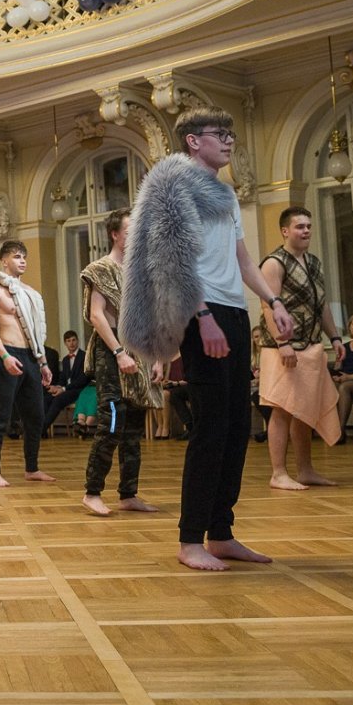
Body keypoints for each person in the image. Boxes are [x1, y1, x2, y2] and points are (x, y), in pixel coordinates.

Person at [122, 107, 297, 572]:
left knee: (237, 428)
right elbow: (171, 260)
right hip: (201, 313)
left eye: (231, 133)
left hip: (234, 312)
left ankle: (221, 533)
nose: (229, 141)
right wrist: (202, 317)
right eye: (220, 134)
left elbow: (243, 260)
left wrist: (273, 302)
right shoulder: (174, 187)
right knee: (210, 429)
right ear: (193, 141)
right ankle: (190, 539)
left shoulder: (225, 193)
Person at [256, 207, 344, 491]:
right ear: (285, 231)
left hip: (310, 345)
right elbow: (268, 305)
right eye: (299, 227)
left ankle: (305, 470)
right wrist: (283, 343)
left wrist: (335, 337)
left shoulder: (313, 262)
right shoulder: (273, 263)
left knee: (304, 410)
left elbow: (321, 304)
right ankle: (278, 473)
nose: (306, 231)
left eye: (308, 226)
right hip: (282, 349)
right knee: (282, 409)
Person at [81, 208, 161, 516]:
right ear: (115, 234)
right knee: (112, 421)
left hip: (140, 348)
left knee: (133, 428)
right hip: (111, 348)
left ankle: (128, 494)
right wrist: (118, 353)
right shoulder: (100, 269)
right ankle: (92, 492)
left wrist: (156, 359)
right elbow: (96, 315)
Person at [0, 240, 55, 487]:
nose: (22, 261)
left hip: (30, 356)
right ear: (4, 261)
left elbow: (35, 331)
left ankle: (32, 468)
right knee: (1, 415)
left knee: (36, 416)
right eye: (17, 256)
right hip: (7, 353)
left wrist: (43, 363)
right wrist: (4, 356)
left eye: (24, 257)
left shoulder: (29, 293)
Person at [45, 331, 89, 431]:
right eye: (68, 341)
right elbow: (63, 379)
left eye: (73, 340)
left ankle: (41, 428)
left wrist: (64, 389)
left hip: (80, 390)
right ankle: (40, 428)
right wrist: (56, 387)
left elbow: (83, 380)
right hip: (67, 390)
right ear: (65, 343)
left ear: (77, 341)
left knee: (58, 399)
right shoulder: (65, 360)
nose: (71, 343)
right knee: (46, 398)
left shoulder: (85, 356)